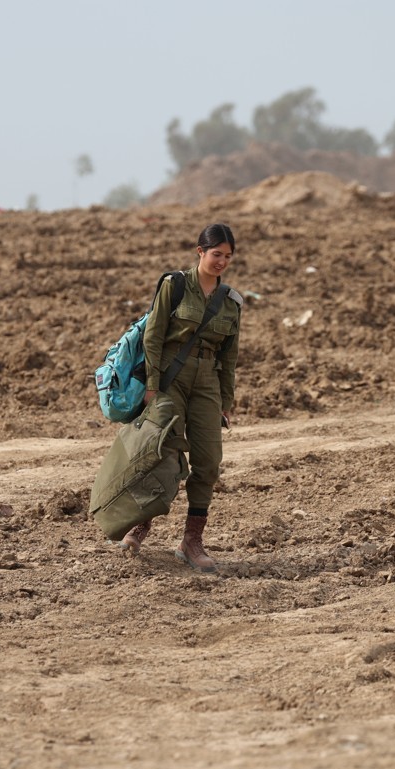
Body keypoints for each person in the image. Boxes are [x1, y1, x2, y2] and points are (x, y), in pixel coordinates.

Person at [118, 223, 243, 572]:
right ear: (200, 251)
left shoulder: (232, 301)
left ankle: (191, 541)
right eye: (216, 254)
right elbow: (154, 337)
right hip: (171, 379)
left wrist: (226, 401)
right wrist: (153, 387)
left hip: (207, 384)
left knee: (209, 461)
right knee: (163, 454)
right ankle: (141, 524)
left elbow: (229, 356)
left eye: (228, 256)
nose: (222, 261)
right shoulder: (174, 286)